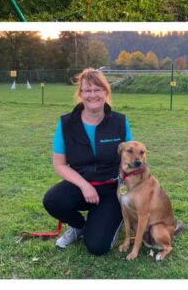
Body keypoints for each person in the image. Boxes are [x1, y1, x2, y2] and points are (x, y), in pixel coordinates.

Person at [43, 68, 133, 254]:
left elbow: (129, 160)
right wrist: (85, 186)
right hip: (80, 186)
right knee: (53, 200)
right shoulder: (66, 124)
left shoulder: (120, 122)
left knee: (97, 246)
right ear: (80, 94)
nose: (93, 95)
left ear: (106, 92)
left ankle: (106, 218)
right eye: (87, 90)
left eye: (97, 89)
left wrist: (128, 190)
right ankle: (78, 226)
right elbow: (59, 164)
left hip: (111, 190)